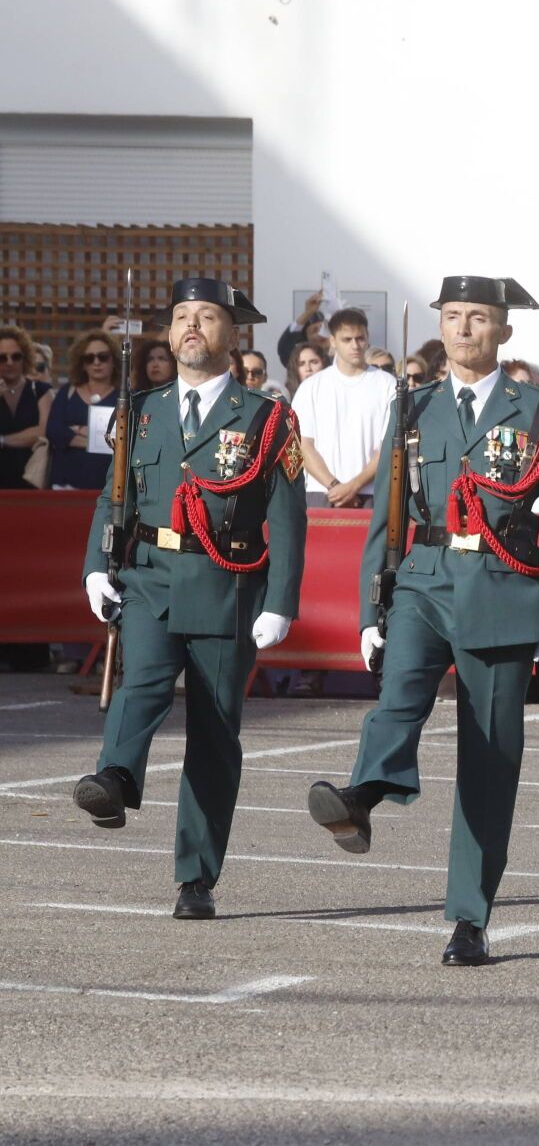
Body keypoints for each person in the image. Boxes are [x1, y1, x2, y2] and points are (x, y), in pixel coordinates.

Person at [307, 275, 539, 967]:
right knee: (399, 696)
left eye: (478, 317)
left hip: (503, 585)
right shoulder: (414, 405)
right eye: (452, 315)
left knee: (488, 759)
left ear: (503, 330)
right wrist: (371, 607)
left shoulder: (538, 411)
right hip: (423, 579)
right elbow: (387, 510)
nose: (462, 328)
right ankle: (366, 790)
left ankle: (468, 917)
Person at [75, 279, 306, 921]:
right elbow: (113, 496)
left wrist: (280, 602)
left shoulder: (266, 417)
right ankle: (115, 777)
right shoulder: (140, 410)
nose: (192, 326)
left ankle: (196, 877)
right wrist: (96, 567)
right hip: (151, 574)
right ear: (170, 334)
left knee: (213, 731)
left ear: (233, 334)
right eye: (181, 316)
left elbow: (288, 519)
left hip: (227, 584)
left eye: (206, 316)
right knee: (143, 680)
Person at [292, 308, 396, 511]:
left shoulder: (387, 384)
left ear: (367, 338)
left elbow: (389, 446)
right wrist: (334, 485)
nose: (355, 346)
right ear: (333, 341)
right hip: (321, 491)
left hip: (371, 493)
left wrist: (354, 485)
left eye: (360, 338)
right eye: (347, 339)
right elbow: (303, 445)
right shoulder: (311, 387)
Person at [47, 331, 121, 491]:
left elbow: (127, 438)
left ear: (114, 360)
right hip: (66, 484)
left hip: (111, 488)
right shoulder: (66, 392)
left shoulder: (126, 397)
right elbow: (54, 431)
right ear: (82, 364)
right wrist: (95, 439)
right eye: (89, 358)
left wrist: (76, 431)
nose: (96, 362)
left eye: (103, 357)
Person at [0, 323, 53, 491]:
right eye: (2, 357)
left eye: (16, 356)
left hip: (31, 480)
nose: (9, 362)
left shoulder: (41, 391)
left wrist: (3, 440)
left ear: (25, 358)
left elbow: (44, 431)